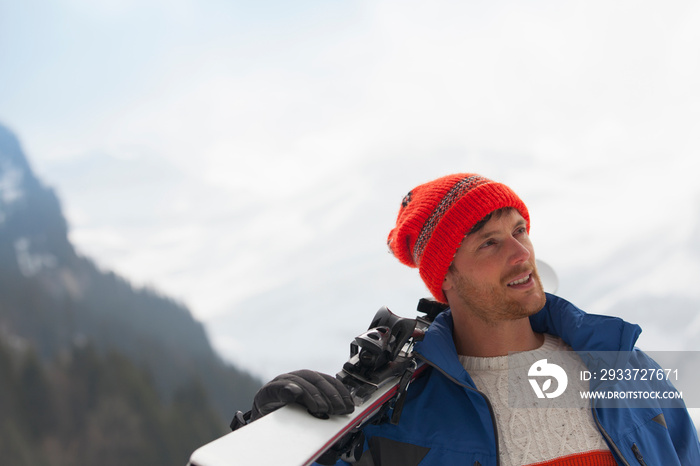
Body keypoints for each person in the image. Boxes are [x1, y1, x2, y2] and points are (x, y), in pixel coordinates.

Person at [248, 173, 700, 465]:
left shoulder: (622, 364)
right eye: (489, 243)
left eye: (519, 230)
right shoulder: (400, 417)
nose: (521, 253)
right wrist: (268, 437)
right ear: (445, 277)